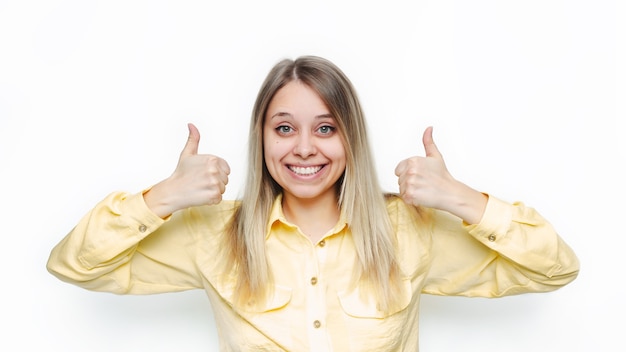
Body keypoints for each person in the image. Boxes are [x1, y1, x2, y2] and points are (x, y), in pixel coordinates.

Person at [47, 55, 579, 351]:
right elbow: (74, 265)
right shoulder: (209, 233)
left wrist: (463, 200)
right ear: (261, 139)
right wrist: (161, 197)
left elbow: (555, 269)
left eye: (326, 128)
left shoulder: (409, 231)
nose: (304, 148)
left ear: (351, 139)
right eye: (284, 128)